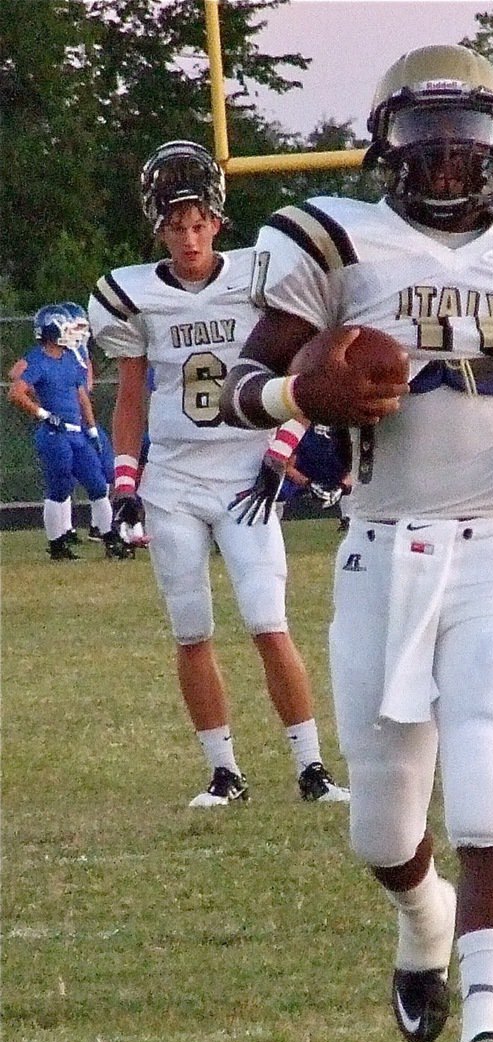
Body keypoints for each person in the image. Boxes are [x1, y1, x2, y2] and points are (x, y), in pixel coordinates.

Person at [218, 45, 493, 1042]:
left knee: (488, 782)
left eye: (469, 140)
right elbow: (232, 385)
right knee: (384, 833)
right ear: (381, 146)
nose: (446, 162)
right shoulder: (335, 238)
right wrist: (307, 387)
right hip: (380, 551)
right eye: (423, 139)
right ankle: (422, 921)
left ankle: (488, 1027)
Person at [87, 140, 349, 808]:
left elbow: (300, 373)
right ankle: (224, 771)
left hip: (244, 474)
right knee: (191, 628)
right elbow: (129, 397)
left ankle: (312, 768)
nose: (188, 235)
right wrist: (123, 485)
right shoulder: (132, 293)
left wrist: (282, 448)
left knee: (268, 620)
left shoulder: (259, 278)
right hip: (172, 480)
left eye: (197, 221)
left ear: (216, 220)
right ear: (158, 227)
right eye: (175, 225)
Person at [7, 304, 126, 561]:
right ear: (53, 329)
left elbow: (81, 395)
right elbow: (15, 392)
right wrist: (43, 414)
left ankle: (110, 538)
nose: (74, 333)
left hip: (76, 432)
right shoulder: (38, 360)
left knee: (96, 483)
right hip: (54, 433)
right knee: (59, 487)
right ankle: (57, 544)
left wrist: (92, 427)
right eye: (68, 327)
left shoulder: (71, 357)